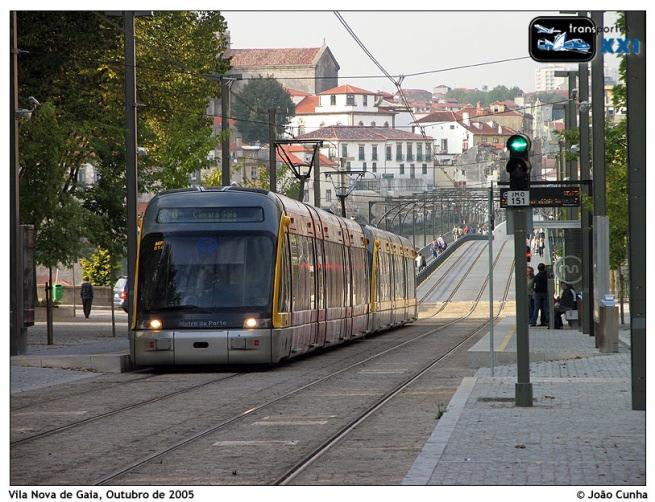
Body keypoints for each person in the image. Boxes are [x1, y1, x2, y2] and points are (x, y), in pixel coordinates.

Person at [531, 263, 549, 327]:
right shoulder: (547, 275)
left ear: (538, 269)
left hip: (537, 294)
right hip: (545, 293)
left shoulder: (537, 276)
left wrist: (534, 291)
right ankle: (548, 322)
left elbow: (533, 286)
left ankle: (533, 322)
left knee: (536, 309)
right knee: (546, 308)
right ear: (544, 268)